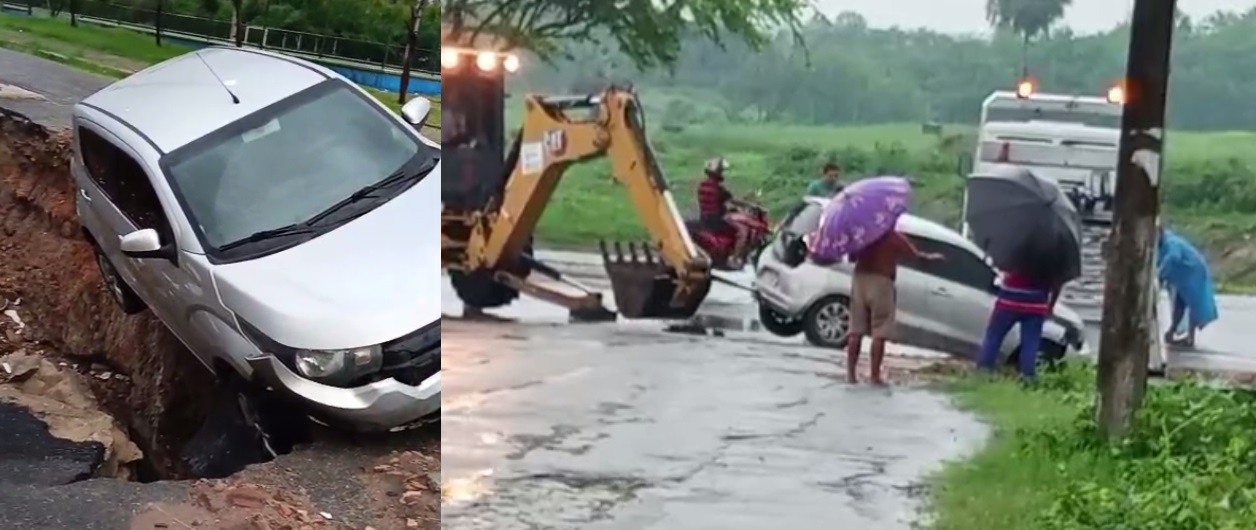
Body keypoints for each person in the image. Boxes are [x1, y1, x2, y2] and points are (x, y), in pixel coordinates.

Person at [846, 231, 943, 385]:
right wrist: (931, 257)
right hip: (882, 282)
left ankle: (851, 375)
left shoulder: (862, 235)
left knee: (856, 330)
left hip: (860, 280)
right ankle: (874, 376)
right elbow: (915, 255)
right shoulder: (893, 237)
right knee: (880, 329)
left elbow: (851, 257)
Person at [976, 271, 1063, 381]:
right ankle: (1027, 376)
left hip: (1009, 299)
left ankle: (984, 370)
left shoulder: (1015, 256)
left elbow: (1001, 273)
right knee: (1030, 342)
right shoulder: (1050, 259)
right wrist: (1051, 306)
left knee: (994, 335)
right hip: (1036, 302)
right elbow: (1057, 284)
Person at [1157, 226, 1218, 348]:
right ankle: (1172, 331)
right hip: (1184, 275)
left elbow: (1173, 257)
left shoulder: (1171, 242)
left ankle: (1190, 337)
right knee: (1179, 304)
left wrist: (1161, 273)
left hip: (1193, 272)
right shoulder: (1163, 244)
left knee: (1194, 304)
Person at [696, 157, 749, 267]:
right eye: (721, 171)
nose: (722, 174)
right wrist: (749, 205)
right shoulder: (718, 189)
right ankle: (734, 259)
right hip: (716, 219)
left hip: (704, 218)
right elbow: (733, 200)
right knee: (743, 231)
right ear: (717, 173)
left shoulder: (702, 186)